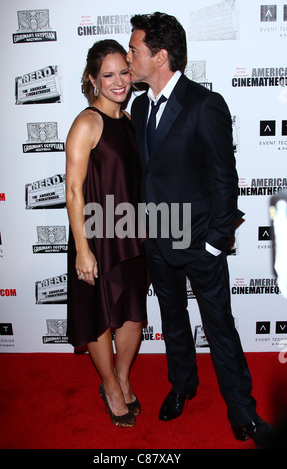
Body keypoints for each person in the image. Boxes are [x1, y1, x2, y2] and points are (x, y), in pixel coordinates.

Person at [127, 12, 274, 447]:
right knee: (172, 320)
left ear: (161, 56)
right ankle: (183, 384)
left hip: (198, 242)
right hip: (156, 238)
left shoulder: (205, 104)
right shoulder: (138, 106)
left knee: (219, 326)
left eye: (135, 50)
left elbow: (224, 179)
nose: (130, 57)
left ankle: (243, 413)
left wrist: (214, 242)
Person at [66, 39, 147, 428]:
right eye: (108, 75)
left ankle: (124, 377)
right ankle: (110, 387)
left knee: (132, 315)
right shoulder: (87, 122)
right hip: (96, 237)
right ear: (93, 79)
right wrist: (83, 250)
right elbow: (74, 190)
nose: (119, 82)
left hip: (130, 235)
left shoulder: (128, 120)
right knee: (99, 317)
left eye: (124, 72)